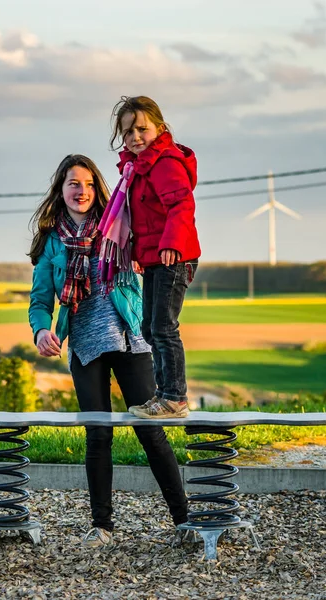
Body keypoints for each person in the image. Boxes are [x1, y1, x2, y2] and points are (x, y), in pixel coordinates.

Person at [28, 154, 192, 547]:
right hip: (84, 345)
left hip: (129, 338)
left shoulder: (120, 221)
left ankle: (184, 520)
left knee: (151, 432)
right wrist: (40, 331)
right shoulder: (52, 240)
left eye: (86, 183)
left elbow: (158, 234)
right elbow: (39, 299)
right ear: (60, 189)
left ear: (96, 187)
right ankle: (102, 526)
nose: (79, 190)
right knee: (97, 434)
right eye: (72, 183)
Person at [99, 95, 201, 419]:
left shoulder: (166, 162)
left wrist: (171, 243)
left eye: (142, 128)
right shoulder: (138, 169)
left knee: (163, 326)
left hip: (175, 256)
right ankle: (163, 395)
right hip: (157, 257)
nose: (135, 137)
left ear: (160, 127)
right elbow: (144, 217)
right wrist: (141, 253)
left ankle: (174, 398)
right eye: (128, 132)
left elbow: (181, 206)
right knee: (148, 326)